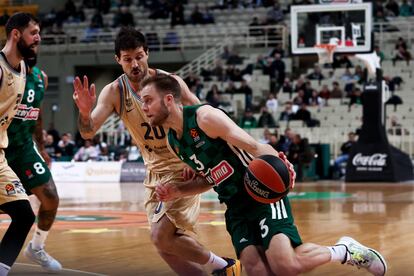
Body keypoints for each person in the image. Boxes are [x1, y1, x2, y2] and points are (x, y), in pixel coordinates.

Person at [141, 74, 387, 276]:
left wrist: (281, 162)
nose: (144, 108)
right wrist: (179, 191)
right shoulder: (174, 142)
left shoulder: (205, 118)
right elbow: (211, 177)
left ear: (169, 100)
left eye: (148, 101)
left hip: (260, 192)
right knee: (258, 270)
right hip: (235, 207)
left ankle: (345, 250)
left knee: (285, 265)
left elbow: (254, 146)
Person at [72, 27, 240, 275]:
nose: (135, 64)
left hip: (182, 167)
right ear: (118, 60)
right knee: (165, 247)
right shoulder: (114, 91)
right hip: (153, 172)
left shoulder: (170, 83)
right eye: (128, 59)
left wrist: (193, 158)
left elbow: (202, 114)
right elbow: (88, 132)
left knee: (161, 236)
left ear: (147, 53)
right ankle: (219, 269)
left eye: (139, 56)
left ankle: (224, 266)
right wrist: (85, 113)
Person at [5, 54, 61, 271]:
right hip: (2, 146)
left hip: (25, 148)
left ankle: (36, 247)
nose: (36, 41)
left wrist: (42, 147)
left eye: (38, 37)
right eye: (31, 35)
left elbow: (37, 115)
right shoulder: (4, 72)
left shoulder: (41, 78)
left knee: (51, 197)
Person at [0, 12, 40, 275]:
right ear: (16, 34)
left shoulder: (25, 68)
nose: (38, 38)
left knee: (24, 215)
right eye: (33, 33)